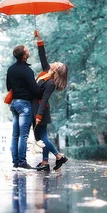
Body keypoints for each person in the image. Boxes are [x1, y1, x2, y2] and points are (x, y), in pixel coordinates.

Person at [31, 30, 69, 172]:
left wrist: (38, 116)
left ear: (57, 69)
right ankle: (45, 162)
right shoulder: (46, 72)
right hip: (37, 108)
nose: (54, 62)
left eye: (56, 63)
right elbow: (43, 57)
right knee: (41, 137)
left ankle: (59, 156)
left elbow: (44, 99)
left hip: (41, 110)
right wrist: (39, 39)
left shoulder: (51, 83)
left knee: (42, 138)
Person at [7, 44, 43, 171]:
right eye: (27, 50)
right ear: (24, 56)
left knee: (15, 135)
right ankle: (22, 162)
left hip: (14, 104)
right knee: (23, 135)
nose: (29, 50)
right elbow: (35, 90)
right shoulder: (27, 71)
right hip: (24, 105)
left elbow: (8, 87)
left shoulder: (11, 69)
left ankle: (15, 162)